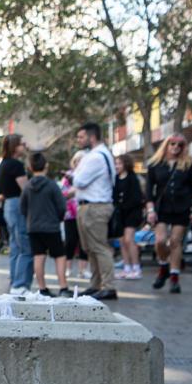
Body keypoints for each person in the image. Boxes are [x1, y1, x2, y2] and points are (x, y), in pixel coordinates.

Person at [146, 134, 192, 293]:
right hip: (162, 208)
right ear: (166, 145)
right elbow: (149, 191)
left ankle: (174, 278)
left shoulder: (187, 165)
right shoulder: (155, 165)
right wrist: (150, 210)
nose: (176, 147)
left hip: (182, 207)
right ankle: (163, 267)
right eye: (173, 144)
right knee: (160, 241)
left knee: (175, 241)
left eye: (180, 145)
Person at [70, 122, 117, 300]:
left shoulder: (96, 156)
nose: (79, 140)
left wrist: (76, 172)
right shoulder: (96, 155)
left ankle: (108, 286)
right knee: (90, 248)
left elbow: (79, 181)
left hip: (95, 207)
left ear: (92, 137)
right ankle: (96, 284)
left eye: (81, 137)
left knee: (99, 247)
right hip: (89, 206)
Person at [21, 151, 69, 297]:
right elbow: (62, 206)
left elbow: (22, 208)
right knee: (59, 256)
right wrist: (58, 218)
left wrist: (31, 219)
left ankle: (42, 288)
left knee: (38, 256)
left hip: (33, 227)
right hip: (51, 226)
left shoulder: (27, 187)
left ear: (30, 167)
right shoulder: (52, 185)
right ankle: (63, 287)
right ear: (46, 166)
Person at [0, 134, 31, 290]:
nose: (25, 146)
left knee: (15, 246)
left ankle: (15, 282)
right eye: (22, 144)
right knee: (24, 246)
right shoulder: (16, 165)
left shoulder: (4, 163)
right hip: (17, 205)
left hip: (9, 206)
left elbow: (0, 191)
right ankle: (20, 284)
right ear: (15, 146)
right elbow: (26, 189)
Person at [113, 154, 145, 280]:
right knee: (121, 241)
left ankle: (136, 267)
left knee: (129, 239)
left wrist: (124, 205)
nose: (117, 166)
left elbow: (137, 197)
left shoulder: (133, 178)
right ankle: (126, 267)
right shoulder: (115, 178)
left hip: (132, 212)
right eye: (116, 163)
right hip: (120, 213)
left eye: (119, 163)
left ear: (125, 164)